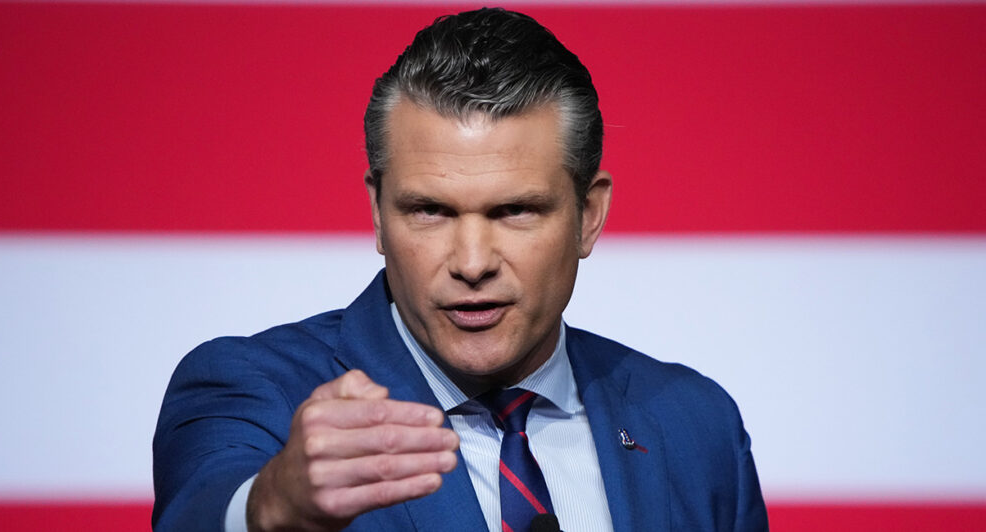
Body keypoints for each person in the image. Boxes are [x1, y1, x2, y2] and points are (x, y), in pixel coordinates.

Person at [152, 8, 767, 532]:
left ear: (588, 215)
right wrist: (272, 504)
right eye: (429, 211)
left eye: (515, 211)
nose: (472, 264)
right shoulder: (257, 392)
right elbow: (206, 504)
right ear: (377, 213)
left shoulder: (694, 423)